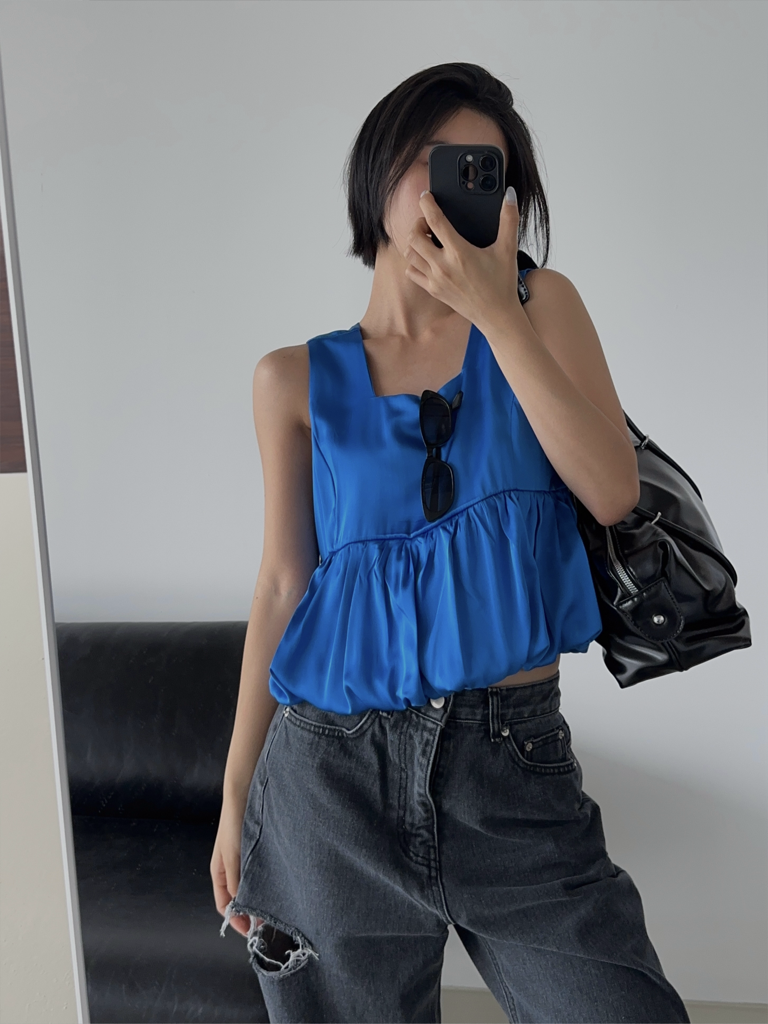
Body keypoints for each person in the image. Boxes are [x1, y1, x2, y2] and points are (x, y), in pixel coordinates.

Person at [213, 62, 690, 1024]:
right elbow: (281, 587)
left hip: (511, 764)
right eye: (433, 161)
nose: (453, 187)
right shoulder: (290, 380)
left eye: (484, 172)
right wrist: (233, 799)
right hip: (327, 783)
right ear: (378, 171)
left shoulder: (541, 310)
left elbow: (609, 491)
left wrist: (497, 313)